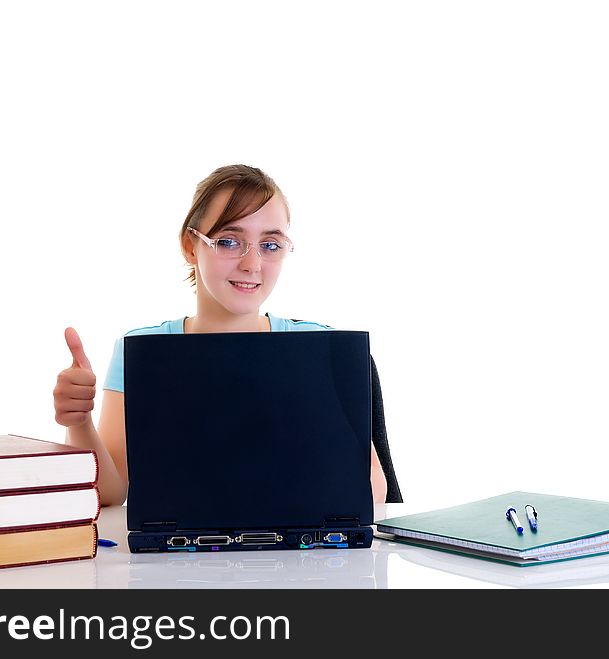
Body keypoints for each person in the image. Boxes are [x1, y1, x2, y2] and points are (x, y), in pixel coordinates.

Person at [53, 164, 388, 506]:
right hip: (178, 553)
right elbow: (112, 492)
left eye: (270, 245)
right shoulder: (140, 351)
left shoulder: (320, 349)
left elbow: (373, 491)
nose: (252, 264)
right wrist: (79, 423)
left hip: (297, 552)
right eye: (229, 241)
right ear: (190, 246)